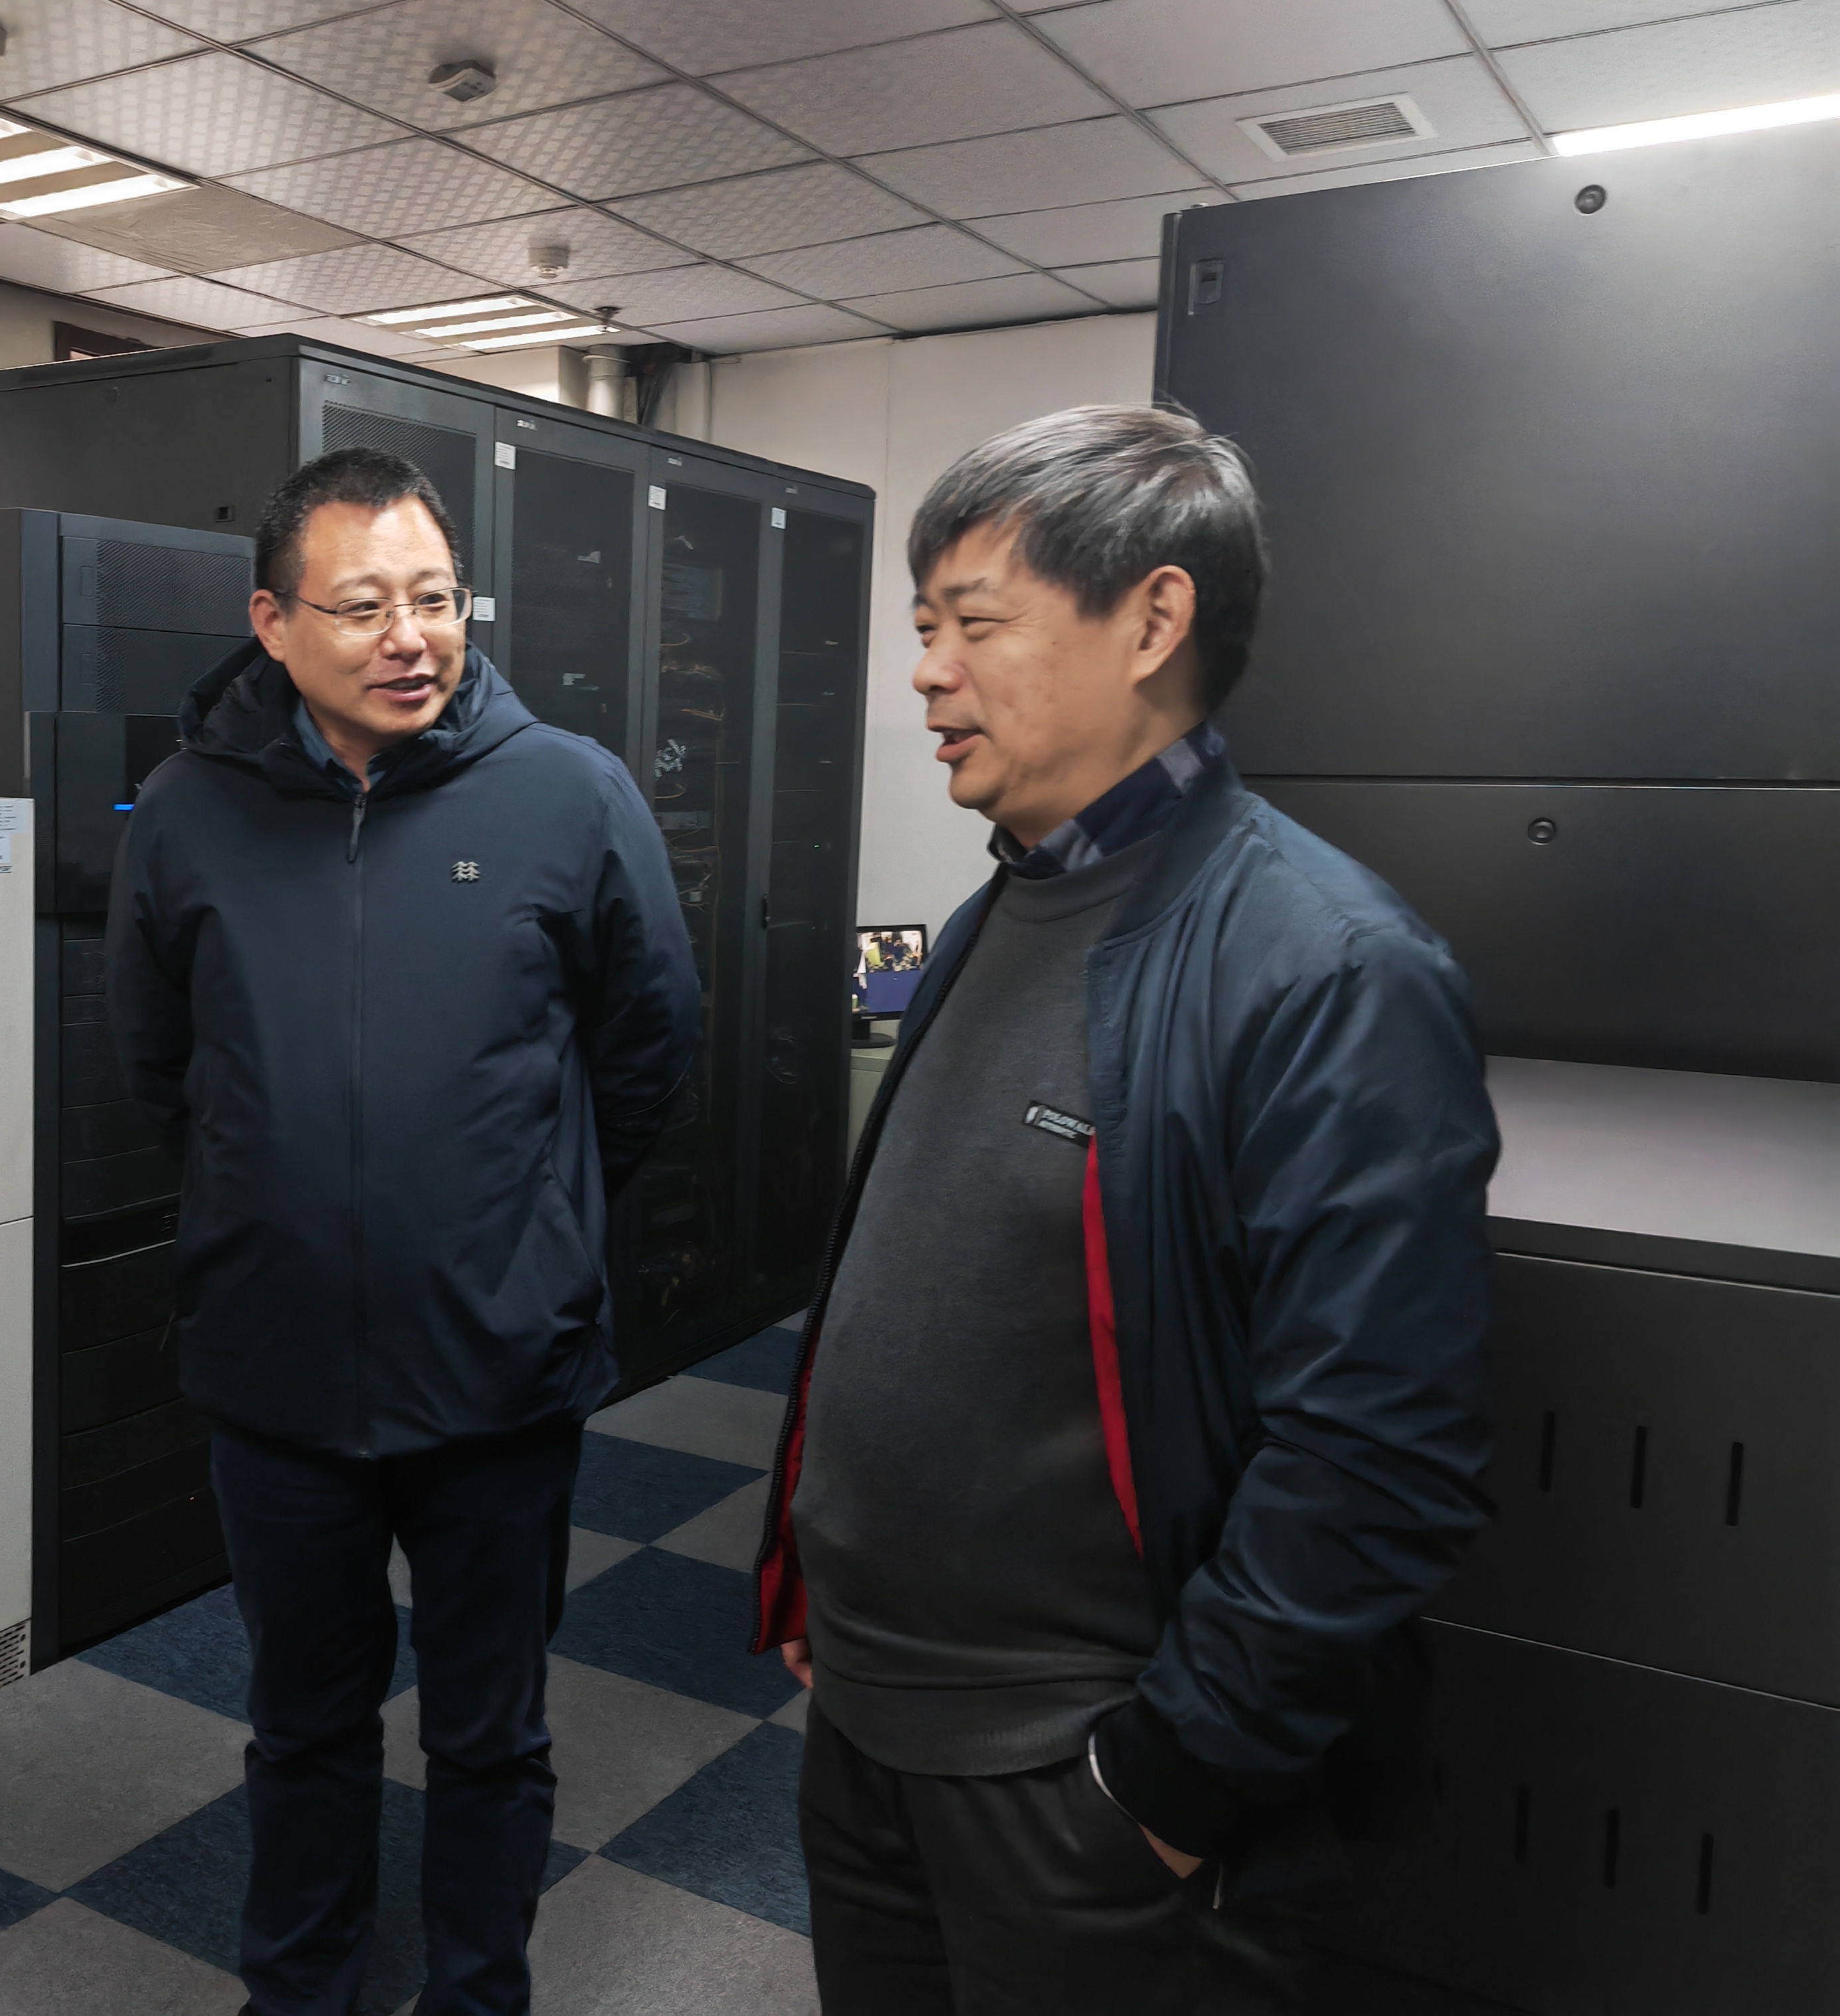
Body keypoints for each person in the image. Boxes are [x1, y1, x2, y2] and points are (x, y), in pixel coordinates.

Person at [752, 404, 1499, 2012]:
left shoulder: (1324, 968)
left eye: (970, 625)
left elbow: (1375, 1452)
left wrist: (1166, 1785)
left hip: (1082, 1788)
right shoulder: (996, 911)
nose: (926, 675)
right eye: (923, 630)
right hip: (871, 1728)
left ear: (1151, 621)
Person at [108, 446, 700, 2016]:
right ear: (272, 622)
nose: (408, 638)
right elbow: (159, 1067)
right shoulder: (186, 811)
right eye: (362, 605)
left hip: (499, 1369)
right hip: (277, 1371)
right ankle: (299, 1991)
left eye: (434, 599)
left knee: (488, 1733)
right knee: (303, 1724)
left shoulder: (568, 793)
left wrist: (531, 1220)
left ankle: (475, 1994)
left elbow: (648, 1050)